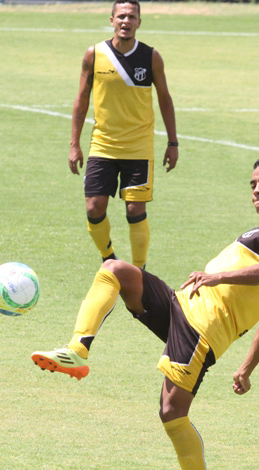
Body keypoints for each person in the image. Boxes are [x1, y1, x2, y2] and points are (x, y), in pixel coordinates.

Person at [32, 155, 259, 470]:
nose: (257, 189)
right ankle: (77, 350)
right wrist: (246, 368)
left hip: (201, 332)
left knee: (172, 413)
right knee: (116, 271)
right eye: (254, 183)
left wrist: (216, 276)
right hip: (180, 305)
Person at [68, 0, 178, 269]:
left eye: (132, 16)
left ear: (139, 22)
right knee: (94, 208)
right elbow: (81, 99)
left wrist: (172, 142)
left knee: (135, 210)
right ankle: (109, 258)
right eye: (121, 16)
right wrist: (74, 144)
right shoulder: (93, 54)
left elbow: (165, 99)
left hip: (138, 148)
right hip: (102, 145)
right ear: (111, 20)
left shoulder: (151, 57)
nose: (126, 21)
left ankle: (139, 270)